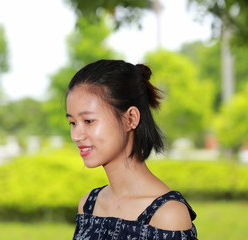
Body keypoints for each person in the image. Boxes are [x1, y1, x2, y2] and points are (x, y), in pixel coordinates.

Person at [66, 59, 197, 240]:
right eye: (72, 123)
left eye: (88, 121)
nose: (76, 135)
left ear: (131, 119)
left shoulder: (168, 215)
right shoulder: (89, 206)